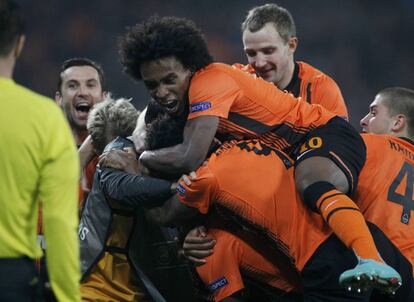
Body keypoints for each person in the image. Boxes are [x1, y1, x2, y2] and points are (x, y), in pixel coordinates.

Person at [118, 15, 400, 291]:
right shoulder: (232, 80)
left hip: (323, 135)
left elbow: (189, 158)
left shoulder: (212, 86)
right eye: (152, 85)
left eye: (169, 80)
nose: (162, 91)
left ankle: (370, 258)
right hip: (300, 248)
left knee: (314, 185)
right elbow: (151, 117)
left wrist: (141, 157)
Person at [0, 1, 80, 301]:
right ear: (19, 44)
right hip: (11, 279)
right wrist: (67, 296)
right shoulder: (44, 118)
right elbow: (59, 222)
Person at [235, 3, 348, 119]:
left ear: (291, 45)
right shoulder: (237, 81)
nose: (259, 63)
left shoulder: (321, 90)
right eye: (251, 53)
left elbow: (341, 137)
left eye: (268, 51)